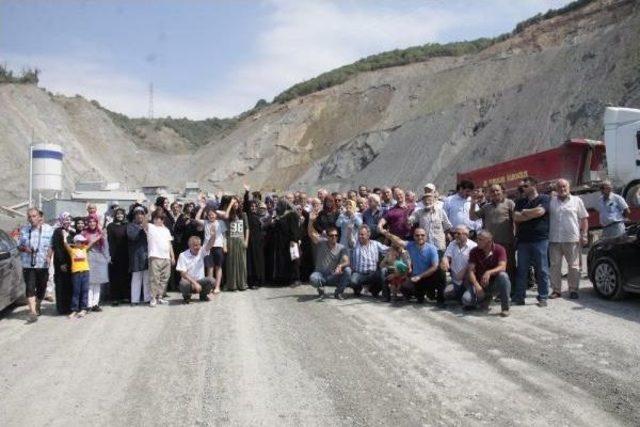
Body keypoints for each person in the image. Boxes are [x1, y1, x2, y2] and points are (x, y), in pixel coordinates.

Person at [380, 227, 444, 306]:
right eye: (417, 235)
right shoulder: (410, 245)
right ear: (414, 237)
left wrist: (420, 276)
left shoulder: (432, 248)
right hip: (416, 278)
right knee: (404, 287)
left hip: (428, 277)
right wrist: (387, 234)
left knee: (440, 272)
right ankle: (419, 295)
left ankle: (440, 298)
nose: (420, 237)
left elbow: (434, 267)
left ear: (426, 236)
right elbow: (398, 241)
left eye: (422, 235)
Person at [548, 179, 589, 299]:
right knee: (555, 266)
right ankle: (556, 290)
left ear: (569, 187)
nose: (562, 189)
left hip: (572, 239)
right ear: (556, 189)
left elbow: (584, 218)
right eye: (559, 187)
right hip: (554, 239)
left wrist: (584, 234)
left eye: (564, 186)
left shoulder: (577, 201)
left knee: (574, 266)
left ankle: (573, 289)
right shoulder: (551, 202)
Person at [513, 177, 550, 307]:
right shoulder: (520, 201)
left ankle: (543, 296)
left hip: (540, 239)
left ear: (534, 186)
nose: (523, 189)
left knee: (542, 269)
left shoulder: (544, 199)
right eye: (522, 187)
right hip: (523, 241)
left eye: (526, 186)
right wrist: (530, 213)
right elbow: (516, 217)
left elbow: (541, 212)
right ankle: (519, 297)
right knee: (522, 270)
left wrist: (525, 212)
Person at [470, 184, 516, 284]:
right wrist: (473, 203)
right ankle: (495, 291)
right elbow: (472, 217)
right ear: (489, 194)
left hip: (506, 242)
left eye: (497, 190)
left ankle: (511, 290)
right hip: (490, 245)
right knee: (493, 267)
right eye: (492, 191)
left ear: (502, 191)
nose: (495, 193)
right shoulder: (486, 207)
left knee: (509, 267)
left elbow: (516, 220)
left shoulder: (509, 203)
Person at [18, 208, 54, 322]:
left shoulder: (49, 229)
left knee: (41, 288)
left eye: (34, 216)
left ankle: (38, 304)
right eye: (29, 216)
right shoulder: (24, 230)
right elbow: (19, 246)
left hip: (42, 263)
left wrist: (49, 256)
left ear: (39, 217)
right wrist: (25, 248)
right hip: (28, 264)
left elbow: (51, 245)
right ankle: (32, 311)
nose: (31, 219)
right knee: (29, 287)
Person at [463, 231, 511, 317]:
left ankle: (505, 308)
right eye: (477, 239)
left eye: (480, 239)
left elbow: (502, 267)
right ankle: (483, 299)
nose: (477, 241)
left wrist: (489, 272)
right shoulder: (474, 251)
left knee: (503, 276)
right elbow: (470, 271)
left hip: (493, 284)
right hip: (479, 284)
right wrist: (477, 286)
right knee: (466, 300)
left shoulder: (499, 249)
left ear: (489, 241)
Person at [307, 210, 351, 299]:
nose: (334, 237)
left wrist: (340, 266)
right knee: (313, 278)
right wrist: (311, 221)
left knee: (348, 270)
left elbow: (347, 261)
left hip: (333, 276)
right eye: (331, 235)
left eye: (336, 235)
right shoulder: (321, 243)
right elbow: (311, 234)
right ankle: (320, 287)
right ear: (327, 236)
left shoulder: (341, 247)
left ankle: (338, 293)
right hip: (320, 275)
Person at [62, 233, 99, 319]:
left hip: (85, 272)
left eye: (83, 242)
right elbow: (65, 244)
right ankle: (74, 309)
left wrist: (100, 234)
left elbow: (92, 242)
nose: (82, 244)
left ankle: (83, 309)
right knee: (76, 292)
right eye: (80, 242)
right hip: (76, 273)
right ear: (75, 242)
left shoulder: (84, 249)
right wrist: (64, 235)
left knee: (84, 291)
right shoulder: (72, 250)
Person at [145, 209, 175, 306]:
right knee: (154, 278)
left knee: (165, 278)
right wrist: (149, 212)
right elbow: (144, 223)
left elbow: (169, 243)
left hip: (166, 257)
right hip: (155, 256)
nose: (158, 220)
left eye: (161, 219)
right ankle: (153, 298)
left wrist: (172, 256)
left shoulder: (166, 230)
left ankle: (160, 297)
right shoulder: (151, 227)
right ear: (153, 219)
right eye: (156, 218)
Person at [349, 225, 388, 297]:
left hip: (372, 273)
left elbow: (386, 250)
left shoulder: (375, 244)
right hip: (359, 274)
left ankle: (374, 291)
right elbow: (350, 240)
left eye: (362, 234)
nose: (360, 236)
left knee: (382, 273)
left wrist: (398, 246)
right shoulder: (355, 244)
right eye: (359, 234)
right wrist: (349, 231)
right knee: (353, 281)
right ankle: (358, 289)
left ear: (368, 235)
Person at [176, 234, 216, 303]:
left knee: (212, 280)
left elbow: (210, 244)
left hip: (200, 282)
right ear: (190, 246)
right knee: (183, 283)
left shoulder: (201, 251)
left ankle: (203, 296)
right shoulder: (183, 255)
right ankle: (187, 297)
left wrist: (213, 235)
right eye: (195, 245)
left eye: (199, 245)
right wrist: (195, 283)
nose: (198, 247)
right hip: (189, 282)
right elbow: (183, 274)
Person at [441, 225, 477, 301]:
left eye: (458, 233)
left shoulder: (474, 246)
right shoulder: (452, 243)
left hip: (468, 280)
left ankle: (470, 296)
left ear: (466, 235)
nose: (455, 235)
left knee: (467, 300)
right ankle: (461, 294)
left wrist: (463, 272)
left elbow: (474, 264)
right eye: (455, 233)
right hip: (456, 281)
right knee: (446, 294)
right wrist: (445, 261)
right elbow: (446, 256)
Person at [82, 214, 109, 312]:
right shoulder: (84, 233)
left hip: (100, 258)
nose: (92, 223)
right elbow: (83, 248)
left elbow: (105, 246)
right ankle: (88, 304)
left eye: (94, 221)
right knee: (89, 282)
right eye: (90, 221)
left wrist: (107, 258)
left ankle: (95, 304)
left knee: (97, 283)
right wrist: (93, 241)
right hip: (89, 258)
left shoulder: (100, 232)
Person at [272, 199, 302, 286]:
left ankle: (296, 279)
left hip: (291, 242)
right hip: (281, 243)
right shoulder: (279, 216)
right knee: (284, 260)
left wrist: (293, 240)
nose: (278, 207)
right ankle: (285, 279)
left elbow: (295, 229)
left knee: (294, 260)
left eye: (280, 205)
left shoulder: (292, 214)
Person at [224, 197, 249, 291]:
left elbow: (247, 229)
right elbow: (225, 216)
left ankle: (242, 284)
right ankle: (232, 285)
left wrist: (246, 241)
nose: (235, 205)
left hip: (240, 240)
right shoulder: (229, 215)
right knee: (232, 263)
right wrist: (230, 204)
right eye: (234, 203)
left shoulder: (244, 214)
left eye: (236, 203)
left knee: (242, 263)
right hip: (231, 240)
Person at [127, 206, 151, 305]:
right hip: (136, 256)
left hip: (146, 254)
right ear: (134, 216)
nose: (140, 216)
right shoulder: (130, 226)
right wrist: (141, 228)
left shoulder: (148, 226)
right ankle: (135, 300)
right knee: (136, 278)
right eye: (137, 214)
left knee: (146, 278)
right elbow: (132, 237)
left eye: (141, 214)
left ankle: (147, 298)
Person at [51, 212, 73, 315]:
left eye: (69, 220)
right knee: (61, 284)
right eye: (65, 220)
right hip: (61, 262)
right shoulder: (57, 231)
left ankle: (69, 306)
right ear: (61, 220)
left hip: (70, 261)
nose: (67, 222)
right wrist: (62, 263)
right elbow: (57, 248)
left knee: (69, 283)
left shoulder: (71, 231)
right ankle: (62, 308)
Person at [107, 208, 130, 305]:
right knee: (115, 276)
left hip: (125, 254)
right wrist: (110, 255)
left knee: (125, 276)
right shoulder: (110, 226)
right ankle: (115, 298)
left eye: (121, 214)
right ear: (115, 215)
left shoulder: (127, 225)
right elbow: (109, 241)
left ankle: (125, 296)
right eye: (118, 214)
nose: (119, 215)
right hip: (114, 254)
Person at [244, 186, 266, 287]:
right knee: (251, 262)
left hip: (259, 243)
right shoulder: (248, 215)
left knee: (259, 261)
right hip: (250, 242)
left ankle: (259, 281)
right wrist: (247, 192)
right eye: (251, 206)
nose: (253, 208)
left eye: (255, 207)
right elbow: (245, 203)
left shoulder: (260, 217)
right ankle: (251, 281)